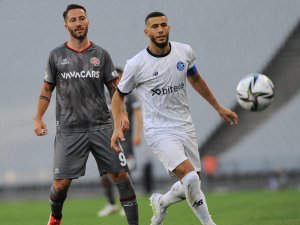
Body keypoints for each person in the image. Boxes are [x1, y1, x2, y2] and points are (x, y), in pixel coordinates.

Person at [111, 12, 238, 225]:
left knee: (193, 181)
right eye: (155, 26)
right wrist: (117, 125)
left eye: (163, 25)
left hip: (185, 125)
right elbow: (118, 96)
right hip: (159, 130)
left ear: (168, 28)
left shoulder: (184, 51)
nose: (160, 29)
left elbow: (195, 78)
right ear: (147, 32)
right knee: (190, 177)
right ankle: (209, 223)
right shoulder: (136, 64)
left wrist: (218, 107)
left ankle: (161, 202)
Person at [34, 4, 138, 225]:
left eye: (82, 18)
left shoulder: (101, 55)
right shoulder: (56, 56)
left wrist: (123, 114)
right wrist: (38, 118)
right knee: (61, 185)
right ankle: (55, 215)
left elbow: (115, 90)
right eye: (73, 20)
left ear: (88, 22)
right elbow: (46, 90)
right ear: (66, 25)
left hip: (102, 126)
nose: (78, 23)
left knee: (121, 176)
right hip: (69, 130)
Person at [97, 67, 143, 217]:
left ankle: (129, 202)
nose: (116, 80)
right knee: (105, 173)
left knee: (126, 171)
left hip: (126, 140)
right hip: (106, 139)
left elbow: (137, 114)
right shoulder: (104, 95)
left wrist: (137, 134)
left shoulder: (130, 95)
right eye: (114, 78)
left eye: (119, 77)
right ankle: (111, 204)